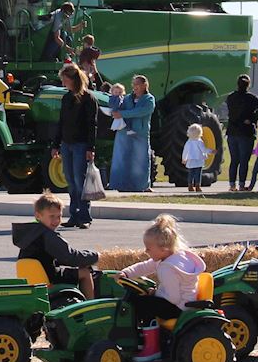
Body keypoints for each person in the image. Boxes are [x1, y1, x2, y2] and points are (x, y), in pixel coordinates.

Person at [116, 215, 206, 362]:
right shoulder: (171, 256)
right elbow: (146, 266)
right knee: (142, 300)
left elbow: (173, 297)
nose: (146, 251)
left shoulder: (167, 268)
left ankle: (152, 348)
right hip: (181, 301)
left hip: (180, 307)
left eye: (148, 248)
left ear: (163, 249)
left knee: (142, 305)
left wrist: (155, 293)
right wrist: (126, 273)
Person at [12, 192, 98, 298]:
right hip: (50, 277)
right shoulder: (47, 235)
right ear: (38, 216)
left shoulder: (31, 233)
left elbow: (54, 256)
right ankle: (90, 307)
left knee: (78, 267)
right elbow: (70, 256)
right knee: (85, 273)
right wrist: (96, 256)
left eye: (59, 216)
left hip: (36, 278)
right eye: (52, 216)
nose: (56, 220)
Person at [49, 64, 99, 227]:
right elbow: (61, 122)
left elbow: (92, 125)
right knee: (70, 180)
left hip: (81, 144)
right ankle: (74, 215)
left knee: (80, 181)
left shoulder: (88, 99)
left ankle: (84, 216)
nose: (63, 83)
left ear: (73, 80)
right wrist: (56, 144)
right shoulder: (67, 98)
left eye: (65, 80)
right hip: (67, 143)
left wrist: (91, 148)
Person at [108, 74, 157, 193]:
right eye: (133, 84)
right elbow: (119, 108)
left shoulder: (149, 99)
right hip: (124, 132)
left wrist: (123, 114)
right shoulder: (127, 98)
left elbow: (141, 111)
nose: (134, 87)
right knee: (121, 158)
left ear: (144, 85)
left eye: (137, 84)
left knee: (141, 159)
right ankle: (118, 184)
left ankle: (142, 186)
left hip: (140, 133)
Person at [222, 75, 258, 193]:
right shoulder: (251, 98)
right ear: (248, 84)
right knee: (244, 160)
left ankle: (232, 185)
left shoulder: (231, 97)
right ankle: (241, 184)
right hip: (246, 131)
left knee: (234, 160)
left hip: (232, 130)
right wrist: (252, 118)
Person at [182, 123, 209, 192]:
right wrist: (211, 151)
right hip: (199, 160)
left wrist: (184, 158)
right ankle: (197, 186)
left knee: (191, 173)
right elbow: (203, 150)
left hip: (191, 160)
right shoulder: (200, 142)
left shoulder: (188, 142)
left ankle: (190, 185)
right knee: (198, 174)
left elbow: (185, 151)